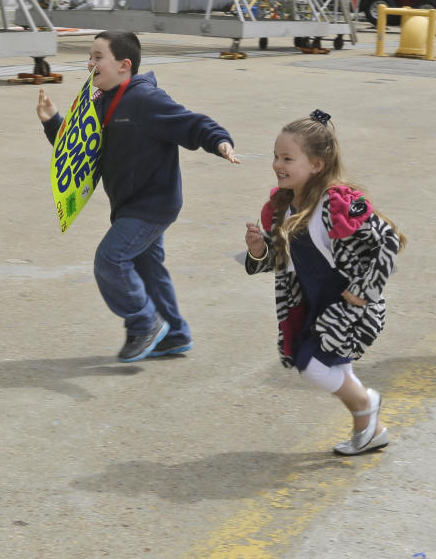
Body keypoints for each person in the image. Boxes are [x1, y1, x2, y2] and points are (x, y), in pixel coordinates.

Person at [37, 30, 240, 362]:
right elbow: (81, 152)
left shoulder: (145, 100)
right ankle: (174, 334)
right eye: (90, 56)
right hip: (128, 205)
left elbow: (191, 123)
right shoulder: (101, 102)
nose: (90, 63)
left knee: (111, 259)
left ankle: (144, 323)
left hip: (152, 205)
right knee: (149, 269)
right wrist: (53, 123)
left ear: (124, 65)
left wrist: (220, 141)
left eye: (98, 57)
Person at [244, 111, 405, 455]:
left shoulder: (337, 204)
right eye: (275, 156)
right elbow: (280, 262)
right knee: (328, 367)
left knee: (312, 364)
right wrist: (258, 250)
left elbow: (389, 240)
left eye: (288, 158)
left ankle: (367, 404)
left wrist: (364, 291)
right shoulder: (283, 206)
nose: (277, 164)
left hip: (350, 306)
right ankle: (370, 429)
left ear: (316, 165)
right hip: (315, 305)